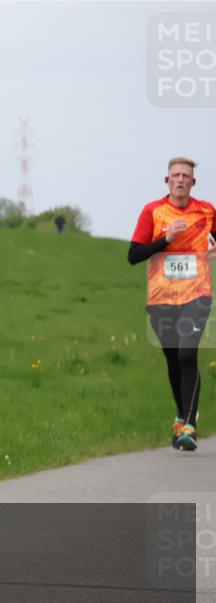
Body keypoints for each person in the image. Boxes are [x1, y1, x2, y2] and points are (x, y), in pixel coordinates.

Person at [128, 157, 215, 451]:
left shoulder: (207, 211)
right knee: (173, 358)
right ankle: (181, 414)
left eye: (185, 176)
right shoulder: (152, 211)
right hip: (161, 298)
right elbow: (133, 256)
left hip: (197, 293)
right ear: (167, 181)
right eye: (175, 175)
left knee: (188, 354)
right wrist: (166, 239)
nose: (180, 180)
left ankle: (190, 425)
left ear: (193, 182)